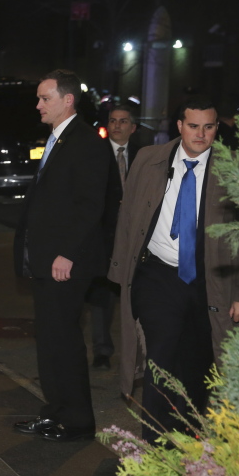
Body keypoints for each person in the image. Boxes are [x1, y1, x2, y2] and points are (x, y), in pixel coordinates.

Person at [109, 99, 239, 443]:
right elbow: (128, 218)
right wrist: (121, 272)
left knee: (197, 365)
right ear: (179, 126)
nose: (201, 134)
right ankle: (153, 443)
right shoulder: (149, 160)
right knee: (160, 359)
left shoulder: (232, 170)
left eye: (209, 127)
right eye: (193, 126)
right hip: (158, 274)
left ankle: (188, 443)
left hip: (209, 282)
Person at [11, 69, 113, 443]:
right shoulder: (58, 138)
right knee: (51, 338)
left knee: (64, 340)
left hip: (64, 261)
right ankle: (54, 412)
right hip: (46, 258)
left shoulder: (86, 142)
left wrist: (66, 253)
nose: (38, 105)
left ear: (67, 100)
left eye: (44, 98)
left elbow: (90, 206)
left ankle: (78, 420)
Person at [86, 105, 142, 370]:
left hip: (135, 236)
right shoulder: (95, 153)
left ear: (133, 126)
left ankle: (141, 350)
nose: (117, 125)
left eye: (123, 121)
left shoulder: (145, 155)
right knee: (102, 296)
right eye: (113, 121)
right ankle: (102, 350)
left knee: (138, 295)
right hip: (104, 235)